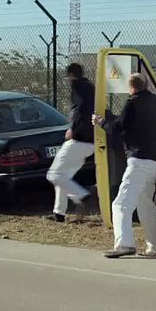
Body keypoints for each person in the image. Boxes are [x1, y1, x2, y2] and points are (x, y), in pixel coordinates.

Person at [93, 72, 156, 258]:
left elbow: (117, 128)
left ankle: (124, 244)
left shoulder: (132, 103)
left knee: (121, 204)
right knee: (145, 204)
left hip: (138, 160)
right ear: (146, 85)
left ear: (131, 87)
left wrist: (101, 122)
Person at [46, 62, 96, 222]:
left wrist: (73, 128)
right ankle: (59, 213)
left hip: (79, 139)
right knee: (64, 176)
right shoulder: (90, 87)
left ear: (71, 75)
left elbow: (80, 109)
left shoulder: (78, 87)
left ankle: (81, 195)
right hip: (91, 141)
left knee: (53, 174)